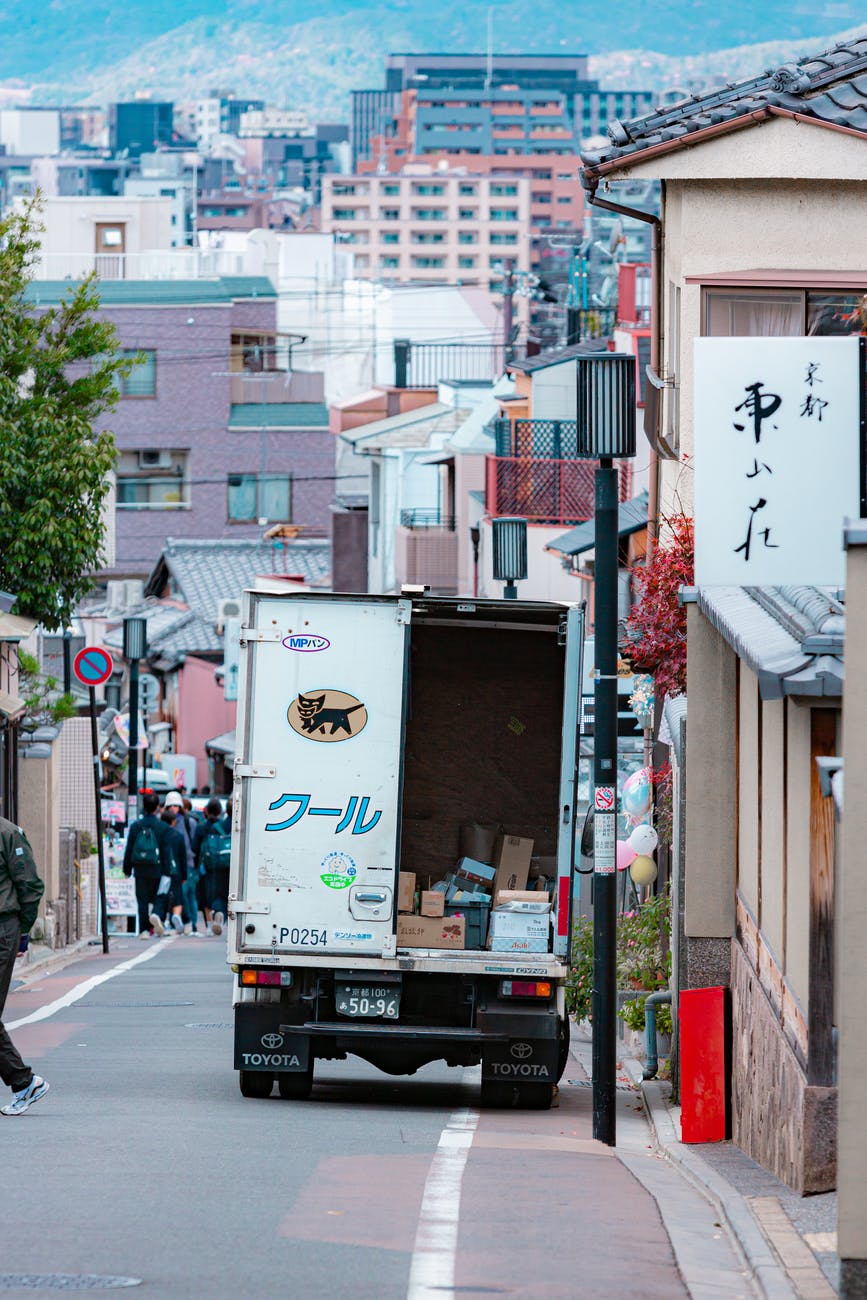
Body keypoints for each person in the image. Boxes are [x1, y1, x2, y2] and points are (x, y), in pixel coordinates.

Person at [0, 817, 49, 1116]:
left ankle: (25, 1082)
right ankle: (24, 1082)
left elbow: (30, 885)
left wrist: (22, 931)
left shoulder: (8, 834)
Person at [123, 792, 173, 937]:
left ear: (144, 806)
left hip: (140, 868)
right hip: (158, 868)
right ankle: (156, 914)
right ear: (157, 807)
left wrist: (127, 869)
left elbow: (129, 849)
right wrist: (168, 871)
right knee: (160, 895)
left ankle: (144, 930)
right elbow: (166, 851)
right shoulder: (163, 827)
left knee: (142, 900)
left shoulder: (136, 826)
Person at [194, 798, 229, 937]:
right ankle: (222, 916)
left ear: (207, 811)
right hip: (228, 864)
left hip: (208, 866)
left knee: (207, 895)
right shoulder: (225, 826)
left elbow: (194, 847)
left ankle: (209, 924)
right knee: (226, 894)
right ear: (220, 811)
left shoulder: (201, 828)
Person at [166, 793, 200, 934]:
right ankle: (181, 922)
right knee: (177, 895)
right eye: (170, 805)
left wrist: (193, 858)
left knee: (187, 894)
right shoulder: (167, 822)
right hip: (172, 864)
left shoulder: (188, 822)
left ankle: (191, 923)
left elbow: (195, 843)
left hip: (188, 863)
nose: (173, 808)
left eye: (176, 805)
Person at [150, 805, 186, 935]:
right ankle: (176, 915)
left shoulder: (157, 833)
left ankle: (157, 915)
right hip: (175, 870)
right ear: (173, 821)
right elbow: (182, 857)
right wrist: (184, 875)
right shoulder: (178, 836)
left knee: (161, 895)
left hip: (161, 870)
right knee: (177, 895)